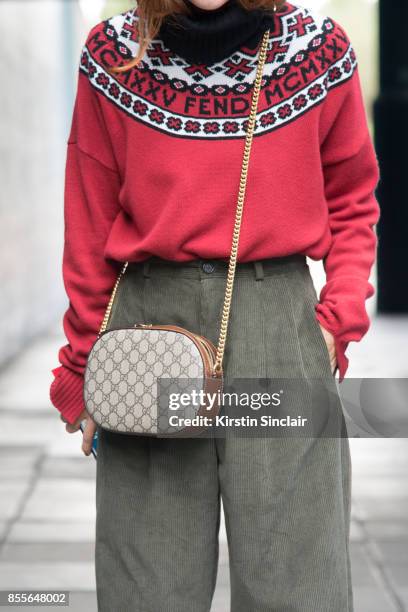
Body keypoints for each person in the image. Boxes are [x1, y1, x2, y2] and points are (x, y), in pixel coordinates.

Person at [49, 1, 380, 610]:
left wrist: (337, 319)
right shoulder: (114, 55)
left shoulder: (318, 50)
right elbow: (90, 221)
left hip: (276, 328)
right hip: (150, 333)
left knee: (296, 576)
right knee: (147, 583)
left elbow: (353, 198)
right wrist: (82, 365)